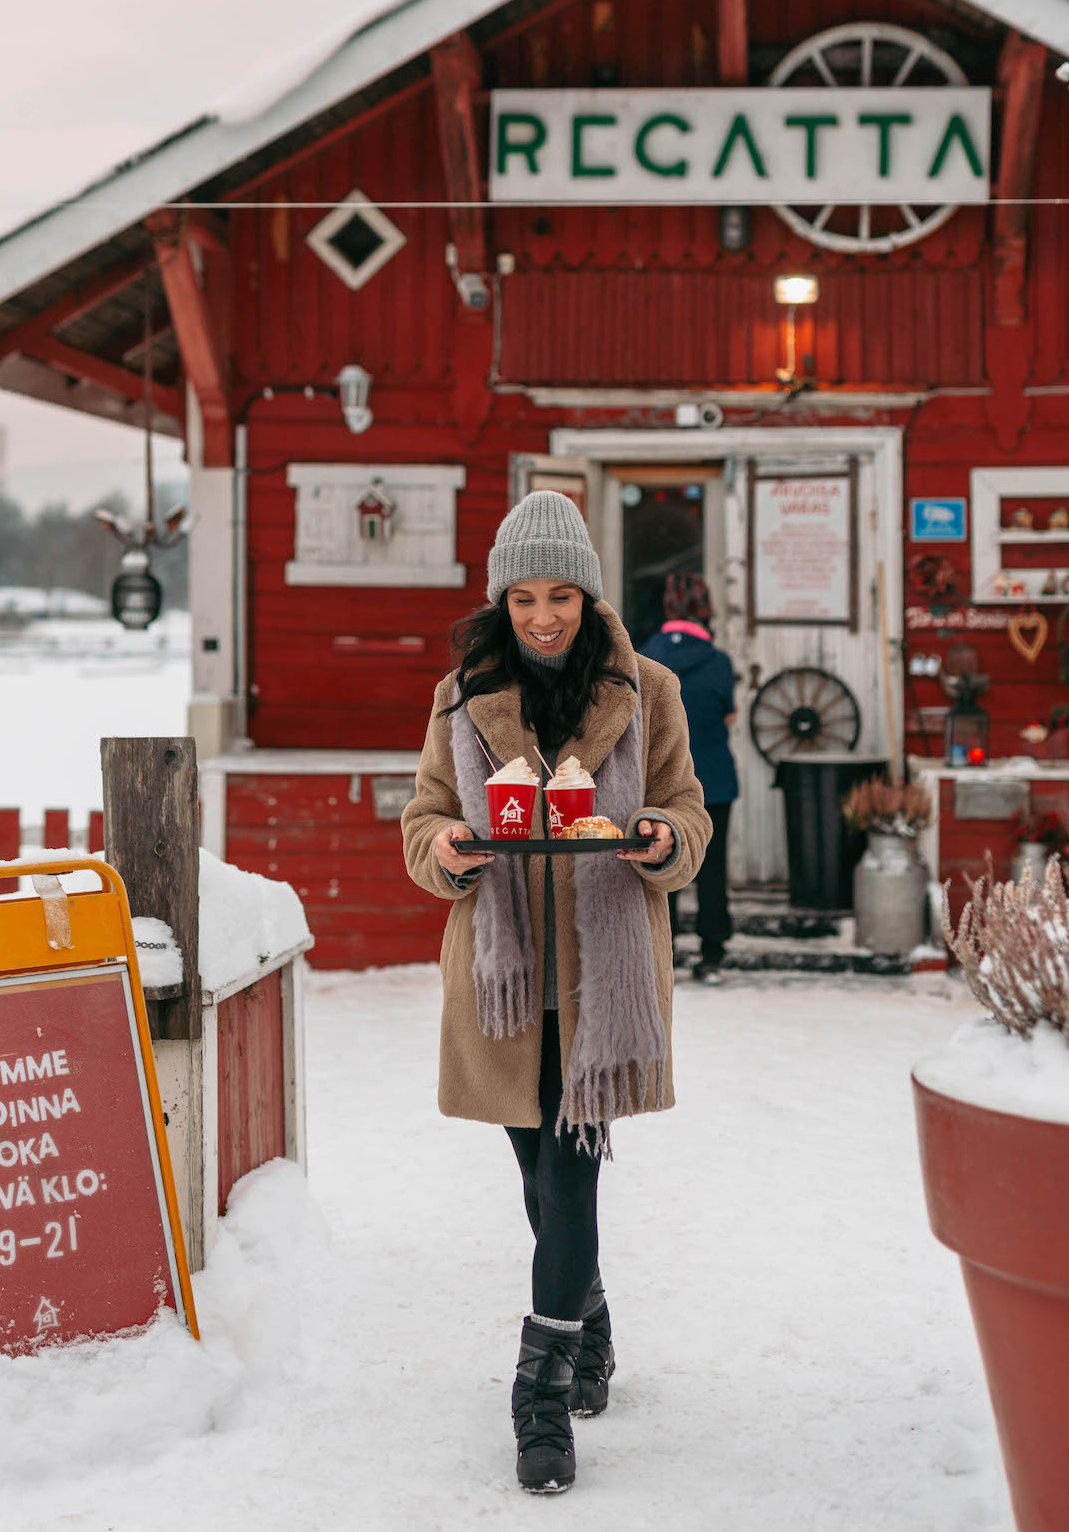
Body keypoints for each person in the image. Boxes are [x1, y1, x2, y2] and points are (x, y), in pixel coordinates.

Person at [402, 489, 709, 1495]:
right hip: (503, 979)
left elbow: (685, 812)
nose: (543, 617)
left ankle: (538, 1402)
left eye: (561, 597)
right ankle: (594, 1316)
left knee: (569, 1179)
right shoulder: (461, 697)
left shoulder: (648, 689)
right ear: (501, 600)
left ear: (587, 597)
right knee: (537, 1180)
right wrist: (445, 848)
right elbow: (425, 820)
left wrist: (662, 840)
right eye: (525, 598)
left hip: (600, 980)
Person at [639, 575, 738, 982]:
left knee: (663, 862)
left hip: (659, 779)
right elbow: (728, 716)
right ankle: (712, 951)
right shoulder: (718, 662)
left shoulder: (643, 657)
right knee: (712, 866)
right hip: (712, 776)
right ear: (706, 609)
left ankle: (668, 946)